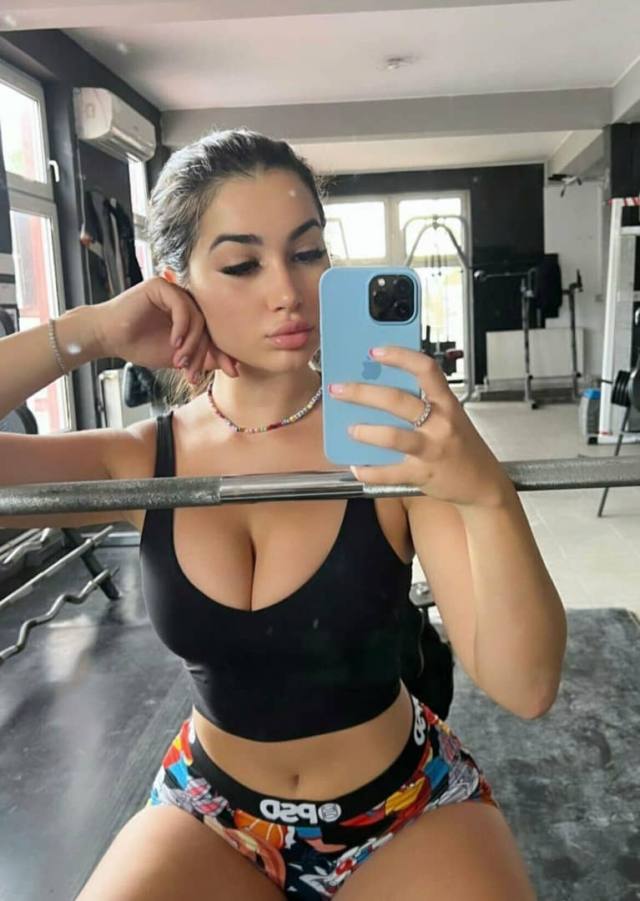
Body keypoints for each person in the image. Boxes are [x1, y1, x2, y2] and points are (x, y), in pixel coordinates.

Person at [0, 129, 566, 900]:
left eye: (306, 252)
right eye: (242, 264)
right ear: (174, 284)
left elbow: (526, 686)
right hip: (212, 813)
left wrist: (486, 493)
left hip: (401, 809)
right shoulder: (139, 460)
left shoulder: (389, 443)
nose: (288, 291)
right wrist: (88, 332)